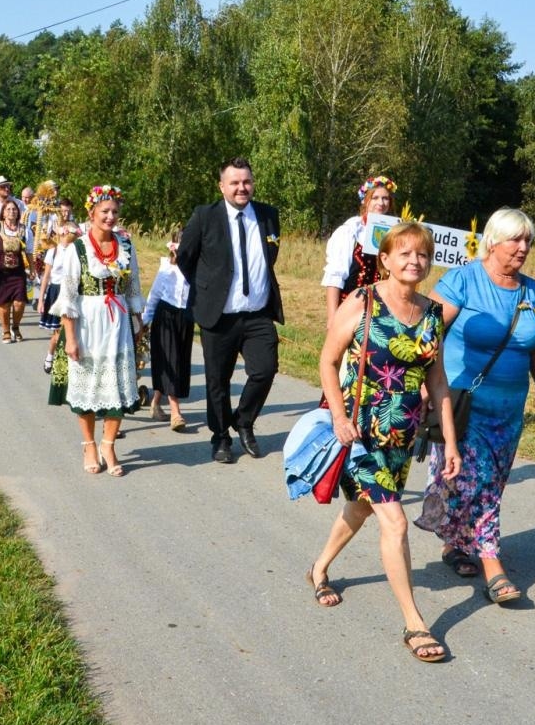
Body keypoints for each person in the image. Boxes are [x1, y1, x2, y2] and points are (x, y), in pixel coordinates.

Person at [306, 221, 460, 663]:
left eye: (423, 255)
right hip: (359, 435)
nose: (415, 261)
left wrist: (449, 441)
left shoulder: (433, 313)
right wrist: (337, 415)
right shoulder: (362, 301)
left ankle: (318, 568)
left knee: (359, 508)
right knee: (394, 522)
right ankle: (415, 622)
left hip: (403, 434)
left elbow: (439, 380)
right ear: (386, 259)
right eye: (405, 254)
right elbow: (328, 359)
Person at [419, 208, 535, 604]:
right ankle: (492, 565)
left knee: (486, 483)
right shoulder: (463, 281)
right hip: (464, 403)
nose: (523, 248)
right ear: (492, 242)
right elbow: (428, 334)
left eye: (528, 240)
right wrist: (427, 387)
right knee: (478, 482)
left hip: (510, 409)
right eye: (516, 239)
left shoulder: (532, 292)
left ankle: (455, 544)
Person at [177, 157, 285, 465]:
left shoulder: (268, 215)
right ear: (222, 186)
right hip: (218, 315)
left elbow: (269, 255)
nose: (242, 188)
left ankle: (244, 420)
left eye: (247, 181)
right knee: (217, 380)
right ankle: (221, 437)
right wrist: (208, 288)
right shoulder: (204, 216)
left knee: (265, 370)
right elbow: (186, 258)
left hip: (257, 314)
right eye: (235, 183)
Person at [49, 185, 144, 477]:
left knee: (116, 385)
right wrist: (71, 338)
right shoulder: (78, 248)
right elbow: (68, 296)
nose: (110, 216)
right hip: (87, 324)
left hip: (117, 324)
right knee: (88, 388)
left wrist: (139, 323)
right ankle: (89, 444)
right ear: (91, 213)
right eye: (105, 211)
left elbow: (133, 287)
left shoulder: (125, 246)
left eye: (115, 211)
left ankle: (109, 444)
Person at [321, 174, 397, 323]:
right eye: (375, 198)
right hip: (352, 310)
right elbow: (335, 276)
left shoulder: (396, 232)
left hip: (384, 312)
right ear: (365, 200)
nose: (380, 203)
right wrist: (332, 319)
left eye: (385, 198)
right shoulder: (351, 231)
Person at [142, 230, 192, 432]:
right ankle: (175, 412)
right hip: (166, 315)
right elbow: (155, 294)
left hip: (185, 317)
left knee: (178, 361)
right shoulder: (167, 268)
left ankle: (155, 403)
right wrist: (145, 321)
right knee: (170, 361)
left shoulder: (195, 268)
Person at [0, 197, 31, 342]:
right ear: (3, 213)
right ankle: (6, 330)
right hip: (0, 271)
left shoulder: (24, 229)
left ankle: (15, 326)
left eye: (14, 209)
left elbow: (29, 251)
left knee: (20, 303)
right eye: (8, 209)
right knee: (3, 303)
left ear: (18, 212)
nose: (12, 212)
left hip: (18, 271)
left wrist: (33, 268)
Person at [38, 221, 81, 373]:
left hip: (72, 290)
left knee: (71, 329)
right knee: (58, 333)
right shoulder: (53, 251)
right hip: (56, 291)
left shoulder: (77, 251)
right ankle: (50, 355)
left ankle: (70, 361)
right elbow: (46, 276)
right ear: (62, 233)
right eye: (69, 232)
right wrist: (41, 299)